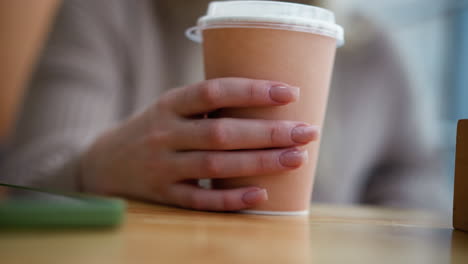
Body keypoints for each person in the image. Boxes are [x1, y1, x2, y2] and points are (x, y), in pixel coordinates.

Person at [0, 0, 449, 211]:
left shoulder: (376, 53)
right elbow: (22, 178)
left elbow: (419, 190)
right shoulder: (109, 12)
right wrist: (96, 166)